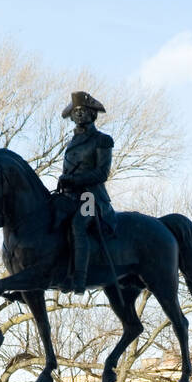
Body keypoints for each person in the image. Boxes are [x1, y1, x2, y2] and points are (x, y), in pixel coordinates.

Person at [54, 90, 116, 293]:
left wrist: (74, 179)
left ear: (92, 114)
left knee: (78, 224)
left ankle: (79, 279)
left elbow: (101, 173)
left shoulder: (102, 140)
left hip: (91, 196)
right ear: (71, 116)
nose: (79, 114)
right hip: (70, 196)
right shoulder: (71, 142)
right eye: (76, 111)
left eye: (83, 110)